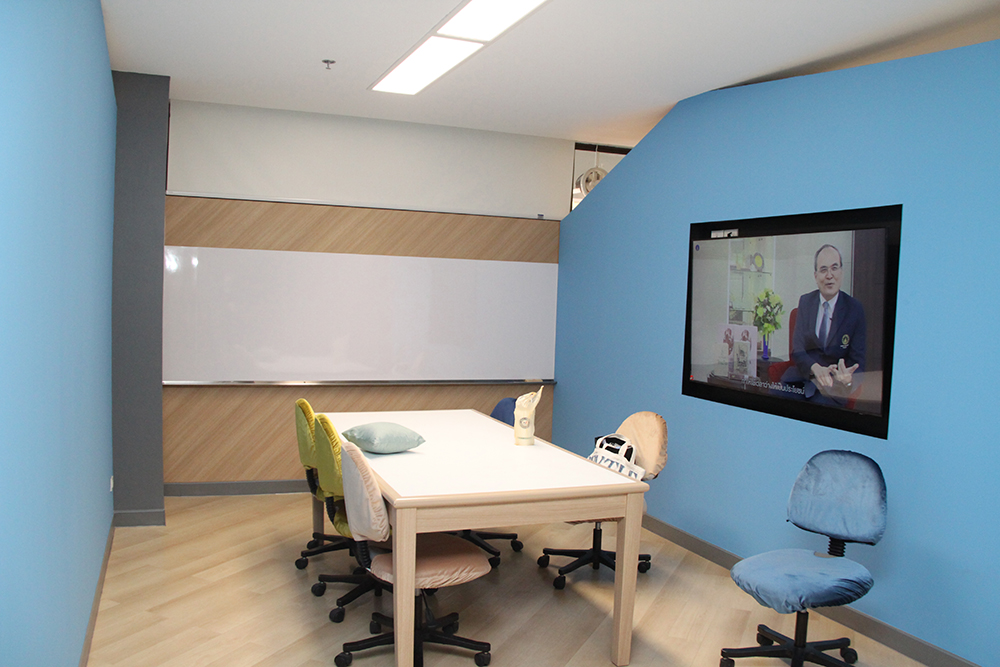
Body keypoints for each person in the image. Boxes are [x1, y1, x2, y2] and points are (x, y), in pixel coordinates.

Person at [781, 244, 866, 404]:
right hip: (801, 381)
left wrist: (848, 379)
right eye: (823, 269)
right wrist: (815, 368)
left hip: (832, 390)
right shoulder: (805, 301)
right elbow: (797, 350)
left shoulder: (855, 309)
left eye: (834, 268)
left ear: (841, 272)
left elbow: (858, 364)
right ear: (816, 276)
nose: (829, 275)